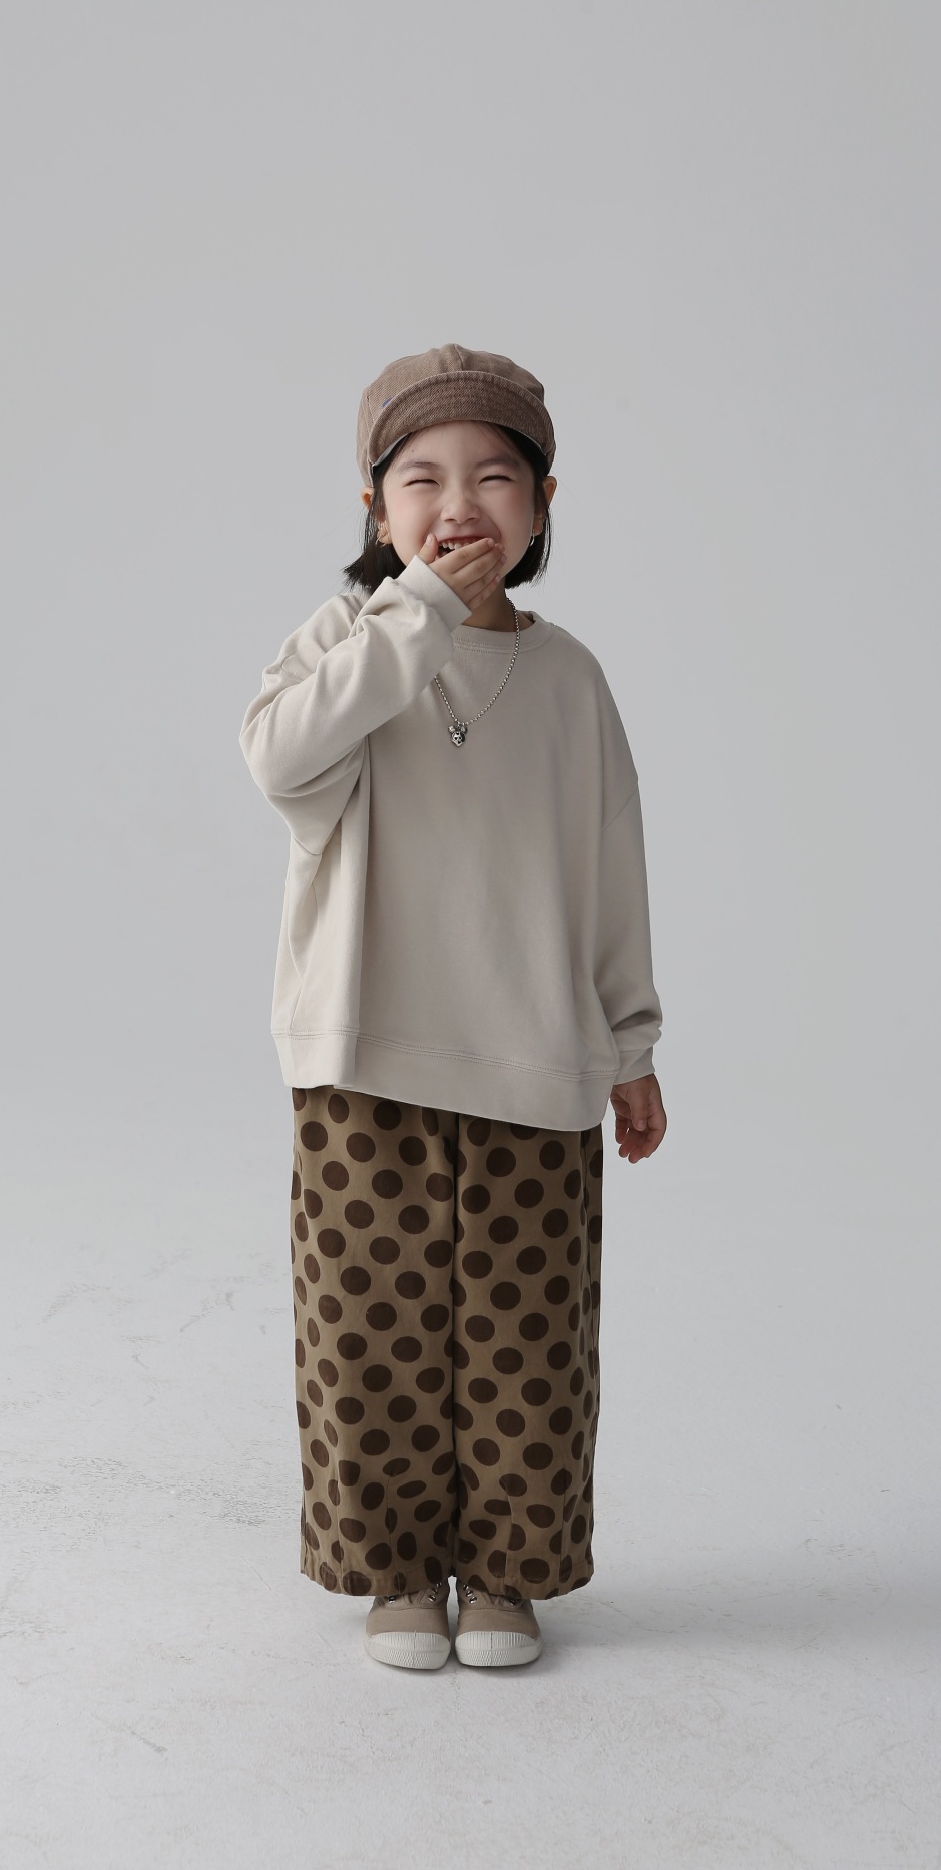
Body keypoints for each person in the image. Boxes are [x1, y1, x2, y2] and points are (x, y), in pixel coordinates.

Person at [238, 343, 666, 1672]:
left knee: (529, 1349)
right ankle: (397, 1575)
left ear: (542, 505)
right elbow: (279, 759)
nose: (458, 501)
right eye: (420, 477)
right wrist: (417, 612)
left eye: (494, 475)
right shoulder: (346, 641)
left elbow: (610, 869)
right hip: (363, 1057)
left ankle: (506, 1578)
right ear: (375, 508)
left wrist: (632, 1043)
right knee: (370, 1339)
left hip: (538, 1062)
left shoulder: (571, 678)